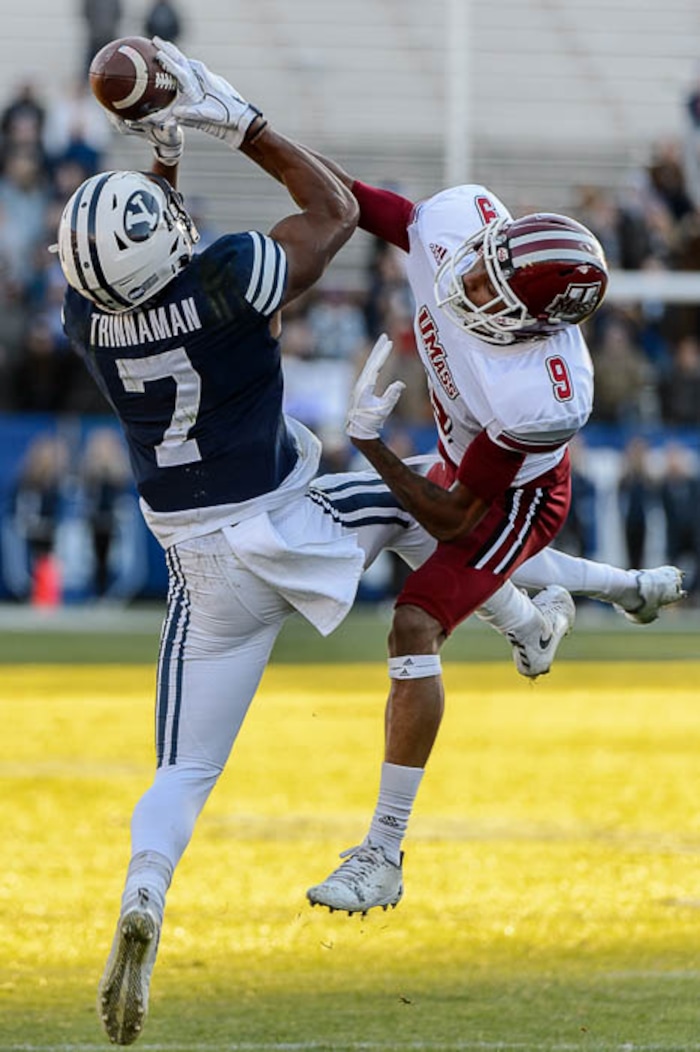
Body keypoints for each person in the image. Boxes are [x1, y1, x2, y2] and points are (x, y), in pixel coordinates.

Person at [53, 42, 462, 1047]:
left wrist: (161, 157)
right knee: (431, 508)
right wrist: (236, 120)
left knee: (182, 771)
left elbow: (150, 258)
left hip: (200, 569)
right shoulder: (232, 280)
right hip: (288, 520)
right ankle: (533, 604)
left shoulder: (84, 318)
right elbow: (334, 209)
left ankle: (146, 889)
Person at [299, 149, 685, 916]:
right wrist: (247, 126)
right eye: (482, 266)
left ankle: (383, 853)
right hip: (463, 464)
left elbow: (459, 519)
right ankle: (611, 596)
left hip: (514, 497)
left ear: (535, 319)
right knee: (435, 552)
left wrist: (371, 443)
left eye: (490, 286)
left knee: (416, 619)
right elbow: (379, 208)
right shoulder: (456, 231)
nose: (469, 285)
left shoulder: (540, 392)